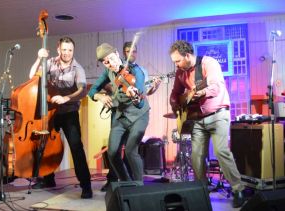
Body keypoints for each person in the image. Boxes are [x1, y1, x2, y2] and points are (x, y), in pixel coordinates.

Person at [168, 40, 245, 208]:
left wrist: (199, 92)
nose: (176, 64)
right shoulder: (180, 72)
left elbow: (216, 87)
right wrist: (175, 103)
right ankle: (200, 190)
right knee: (196, 156)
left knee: (221, 151)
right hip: (196, 119)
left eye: (177, 60)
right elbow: (175, 93)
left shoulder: (209, 63)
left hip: (217, 114)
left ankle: (238, 189)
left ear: (187, 55)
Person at [29, 37, 92, 199]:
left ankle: (86, 186)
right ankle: (48, 179)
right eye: (64, 50)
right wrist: (39, 58)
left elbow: (82, 91)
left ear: (73, 50)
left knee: (76, 148)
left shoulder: (78, 68)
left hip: (69, 113)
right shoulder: (50, 63)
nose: (67, 53)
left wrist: (66, 98)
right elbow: (32, 77)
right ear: (59, 50)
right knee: (45, 145)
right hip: (51, 112)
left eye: (70, 50)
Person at [99, 41, 161, 191]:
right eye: (128, 51)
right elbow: (104, 86)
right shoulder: (112, 69)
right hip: (119, 113)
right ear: (123, 53)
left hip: (135, 116)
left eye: (134, 51)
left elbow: (143, 94)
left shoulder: (141, 71)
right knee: (113, 150)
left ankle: (135, 184)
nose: (131, 54)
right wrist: (107, 92)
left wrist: (154, 87)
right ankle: (118, 180)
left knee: (130, 150)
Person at [88, 42, 151, 183]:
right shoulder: (108, 72)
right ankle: (126, 183)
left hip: (138, 115)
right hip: (120, 115)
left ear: (117, 54)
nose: (110, 63)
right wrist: (100, 96)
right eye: (106, 62)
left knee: (130, 151)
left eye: (111, 58)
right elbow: (92, 91)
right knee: (112, 153)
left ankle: (139, 187)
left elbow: (140, 103)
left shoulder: (136, 71)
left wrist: (133, 94)